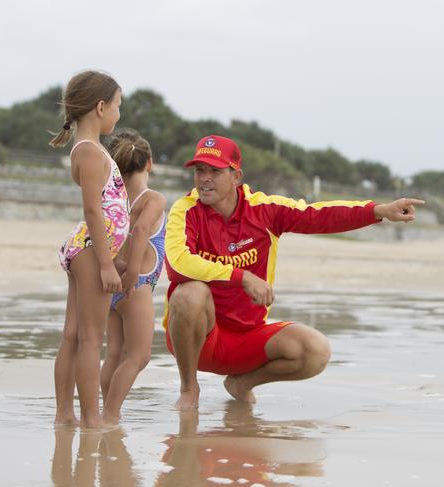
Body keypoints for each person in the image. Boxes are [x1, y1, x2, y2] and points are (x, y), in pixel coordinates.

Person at [164, 135, 425, 409]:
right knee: (189, 293)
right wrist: (241, 276)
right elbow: (177, 262)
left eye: (214, 171)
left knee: (316, 350)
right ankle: (189, 388)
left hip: (247, 338)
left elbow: (318, 216)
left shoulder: (265, 209)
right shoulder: (185, 210)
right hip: (198, 340)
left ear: (236, 176)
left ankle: (242, 383)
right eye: (199, 170)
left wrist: (378, 211)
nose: (204, 178)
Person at [50, 70, 127, 428]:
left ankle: (65, 415)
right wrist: (107, 263)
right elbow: (93, 209)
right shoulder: (92, 153)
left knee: (73, 334)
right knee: (91, 338)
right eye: (117, 106)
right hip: (92, 250)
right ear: (100, 107)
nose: (118, 114)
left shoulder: (86, 150)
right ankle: (92, 418)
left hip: (83, 247)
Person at [99, 128, 167, 425]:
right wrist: (134, 275)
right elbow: (140, 231)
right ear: (148, 163)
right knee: (139, 357)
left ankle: (105, 411)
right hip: (136, 284)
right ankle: (111, 415)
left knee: (115, 353)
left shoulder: (115, 201)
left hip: (112, 283)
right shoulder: (152, 199)